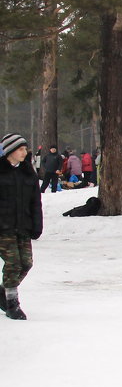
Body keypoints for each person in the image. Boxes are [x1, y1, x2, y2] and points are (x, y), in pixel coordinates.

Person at [0, 134, 42, 320]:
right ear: (10, 151)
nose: (25, 152)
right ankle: (11, 303)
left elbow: (35, 202)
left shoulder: (28, 172)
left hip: (23, 226)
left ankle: (3, 291)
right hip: (3, 227)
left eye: (25, 149)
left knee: (26, 263)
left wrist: (36, 224)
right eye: (21, 149)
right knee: (13, 263)